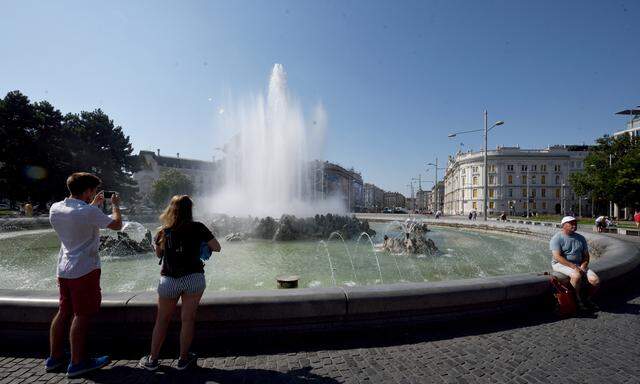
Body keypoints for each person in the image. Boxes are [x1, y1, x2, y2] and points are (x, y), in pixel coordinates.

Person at [45, 172, 122, 377]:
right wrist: (114, 205)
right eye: (94, 191)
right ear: (87, 191)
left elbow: (79, 218)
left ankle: (55, 357)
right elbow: (117, 225)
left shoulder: (56, 208)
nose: (95, 194)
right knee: (82, 314)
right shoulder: (86, 212)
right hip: (85, 269)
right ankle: (78, 363)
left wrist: (93, 205)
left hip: (64, 268)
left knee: (63, 312)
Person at [139, 195, 221, 371]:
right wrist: (201, 244)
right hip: (194, 278)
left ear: (171, 209)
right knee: (188, 320)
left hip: (169, 280)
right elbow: (217, 247)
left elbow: (159, 255)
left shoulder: (163, 230)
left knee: (162, 320)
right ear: (190, 209)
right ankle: (183, 359)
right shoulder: (198, 227)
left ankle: (152, 360)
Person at [549, 216, 600, 312]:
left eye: (575, 223)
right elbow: (557, 257)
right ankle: (577, 300)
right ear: (564, 225)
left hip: (578, 264)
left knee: (595, 280)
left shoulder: (581, 238)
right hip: (559, 264)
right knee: (576, 276)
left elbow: (586, 255)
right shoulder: (557, 238)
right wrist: (573, 267)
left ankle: (587, 299)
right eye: (571, 223)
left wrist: (583, 265)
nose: (574, 225)